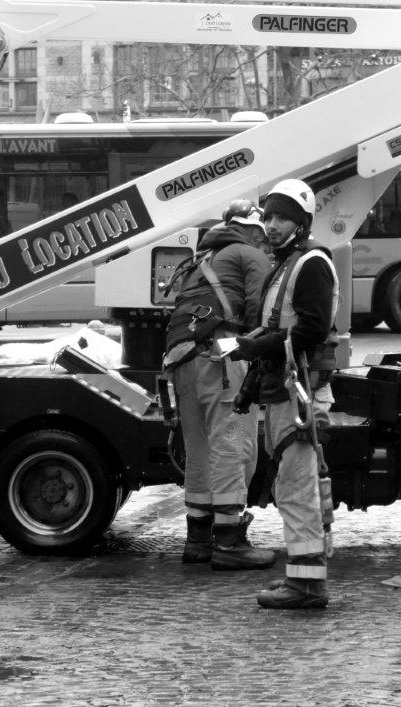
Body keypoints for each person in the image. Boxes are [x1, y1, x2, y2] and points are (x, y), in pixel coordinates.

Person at [230, 179, 339, 609]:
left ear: (302, 222)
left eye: (282, 218)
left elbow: (311, 330)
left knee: (295, 487)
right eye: (269, 217)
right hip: (286, 390)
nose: (272, 225)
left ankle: (308, 587)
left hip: (300, 392)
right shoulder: (288, 262)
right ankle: (301, 575)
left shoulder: (310, 262)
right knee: (292, 485)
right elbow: (282, 325)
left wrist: (257, 347)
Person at [162, 199, 275, 571]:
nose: (268, 237)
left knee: (198, 448)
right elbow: (261, 311)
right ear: (252, 228)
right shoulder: (249, 254)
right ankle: (229, 541)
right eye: (264, 231)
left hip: (181, 359)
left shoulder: (203, 258)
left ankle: (198, 540)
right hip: (220, 357)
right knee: (232, 443)